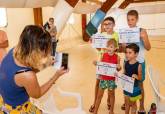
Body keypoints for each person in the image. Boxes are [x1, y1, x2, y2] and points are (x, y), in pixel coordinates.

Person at [0, 25, 68, 114]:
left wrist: (46, 65)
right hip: (16, 109)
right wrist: (56, 76)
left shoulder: (14, 51)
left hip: (4, 100)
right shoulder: (28, 75)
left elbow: (25, 71)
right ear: (38, 51)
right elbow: (37, 94)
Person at [121, 10, 151, 113]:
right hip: (127, 62)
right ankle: (128, 102)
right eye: (128, 19)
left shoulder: (142, 31)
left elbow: (148, 48)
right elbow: (122, 50)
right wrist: (123, 46)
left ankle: (141, 106)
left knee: (139, 85)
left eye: (132, 19)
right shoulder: (125, 32)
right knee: (127, 83)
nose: (130, 22)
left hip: (139, 62)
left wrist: (145, 38)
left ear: (137, 19)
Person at [89, 16, 119, 113]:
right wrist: (94, 43)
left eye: (109, 24)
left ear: (113, 25)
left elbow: (117, 50)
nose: (106, 26)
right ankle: (94, 103)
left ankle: (109, 102)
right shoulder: (101, 34)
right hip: (101, 60)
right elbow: (99, 49)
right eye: (105, 24)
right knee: (98, 82)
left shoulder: (116, 35)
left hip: (111, 62)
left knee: (110, 83)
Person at [93, 39, 121, 114]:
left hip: (111, 80)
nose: (109, 48)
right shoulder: (103, 55)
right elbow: (101, 66)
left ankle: (111, 111)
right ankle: (95, 111)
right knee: (99, 96)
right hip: (103, 79)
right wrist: (97, 63)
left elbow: (118, 69)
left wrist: (119, 67)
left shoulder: (117, 57)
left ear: (115, 48)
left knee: (112, 95)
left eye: (111, 47)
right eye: (108, 46)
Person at [124, 43, 142, 114]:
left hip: (134, 88)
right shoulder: (125, 63)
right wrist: (120, 76)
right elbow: (124, 73)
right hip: (126, 87)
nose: (127, 54)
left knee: (133, 104)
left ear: (136, 54)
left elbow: (140, 78)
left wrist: (137, 76)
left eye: (130, 53)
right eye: (126, 52)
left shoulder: (139, 65)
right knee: (127, 103)